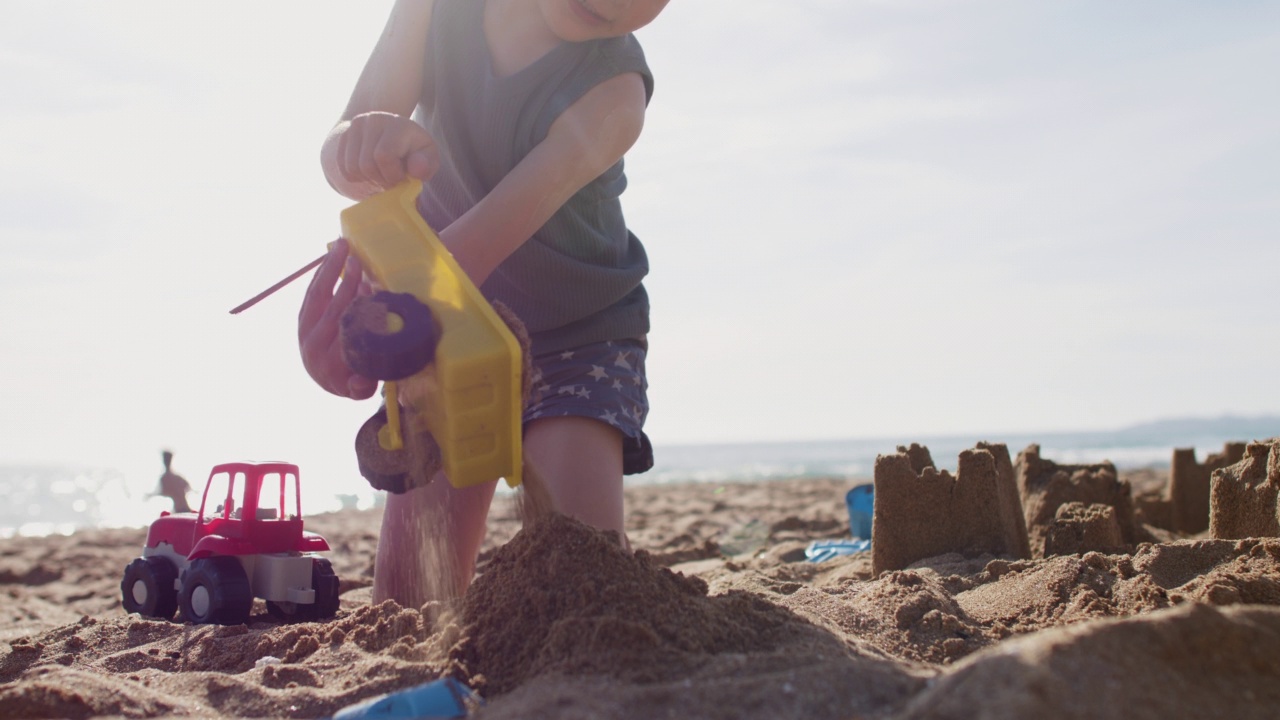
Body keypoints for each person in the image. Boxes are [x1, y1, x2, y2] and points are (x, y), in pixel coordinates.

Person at [298, 0, 670, 609]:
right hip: (450, 333)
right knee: (409, 599)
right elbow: (346, 148)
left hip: (577, 340)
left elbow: (467, 253)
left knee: (586, 579)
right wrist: (362, 144)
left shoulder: (615, 95)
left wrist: (369, 337)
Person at [155, 450, 192, 514]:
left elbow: (163, 492)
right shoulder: (176, 477)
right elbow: (187, 487)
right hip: (180, 509)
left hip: (180, 509)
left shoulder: (165, 478)